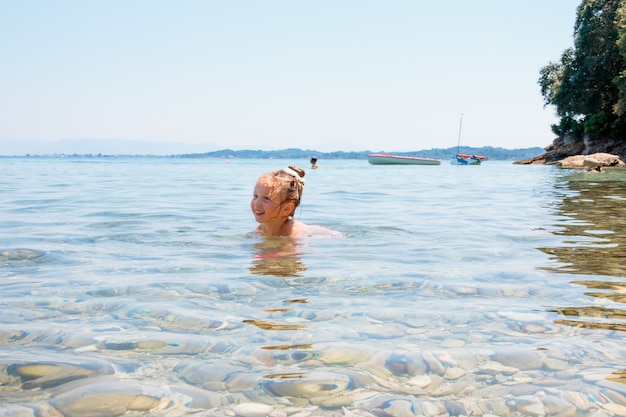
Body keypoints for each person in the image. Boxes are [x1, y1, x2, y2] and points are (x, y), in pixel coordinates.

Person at [251, 166, 308, 237]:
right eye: (255, 196)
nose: (256, 203)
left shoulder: (296, 233)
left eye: (266, 198)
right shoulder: (257, 232)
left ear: (287, 208)